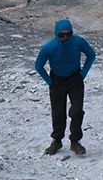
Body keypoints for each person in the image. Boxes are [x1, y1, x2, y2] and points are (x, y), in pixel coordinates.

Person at [34, 19, 96, 156]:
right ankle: (56, 141)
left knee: (77, 111)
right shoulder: (48, 47)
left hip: (75, 78)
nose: (66, 37)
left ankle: (75, 142)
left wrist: (83, 74)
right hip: (57, 81)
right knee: (58, 112)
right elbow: (38, 66)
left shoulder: (78, 41)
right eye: (62, 35)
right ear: (56, 34)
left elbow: (91, 55)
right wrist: (50, 82)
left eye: (69, 34)